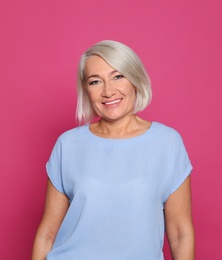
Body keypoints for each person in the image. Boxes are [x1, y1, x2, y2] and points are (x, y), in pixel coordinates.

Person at [32, 40, 194, 260]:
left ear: (134, 79)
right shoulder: (68, 145)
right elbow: (47, 234)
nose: (108, 91)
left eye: (118, 76)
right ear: (86, 89)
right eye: (95, 81)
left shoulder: (168, 143)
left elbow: (180, 233)